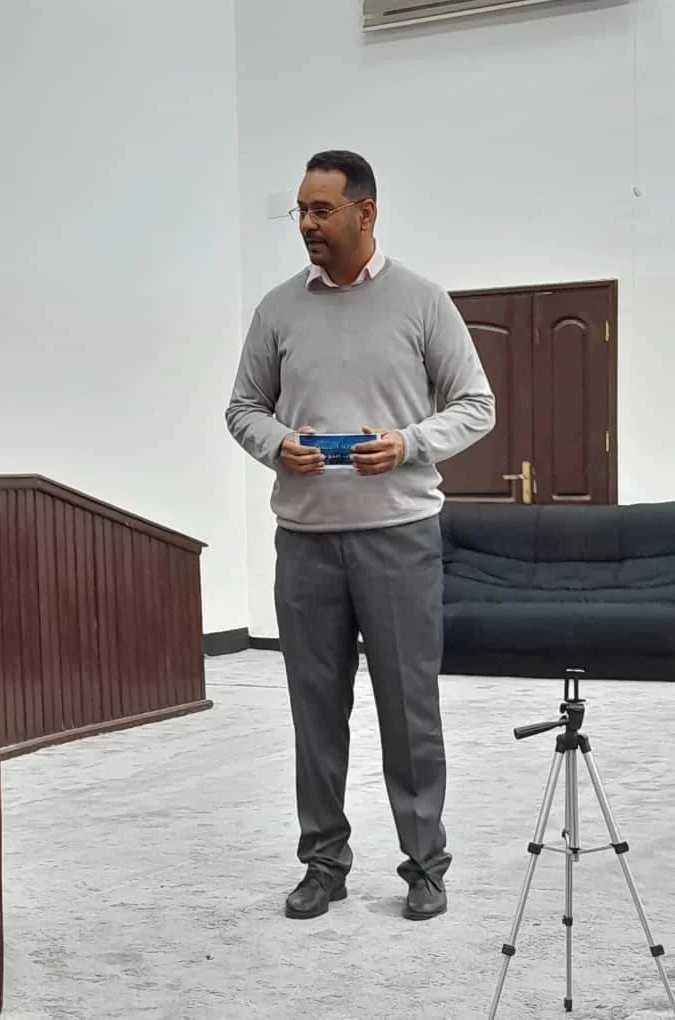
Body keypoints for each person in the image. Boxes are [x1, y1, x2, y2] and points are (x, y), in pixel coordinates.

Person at [225, 150, 495, 922]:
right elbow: (242, 407)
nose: (306, 224)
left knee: (409, 709)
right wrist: (278, 444)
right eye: (301, 211)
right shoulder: (278, 309)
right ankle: (323, 862)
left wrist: (408, 443)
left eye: (321, 210)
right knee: (314, 711)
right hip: (305, 542)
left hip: (398, 538)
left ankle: (424, 866)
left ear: (365, 212)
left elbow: (475, 405)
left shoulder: (421, 302)